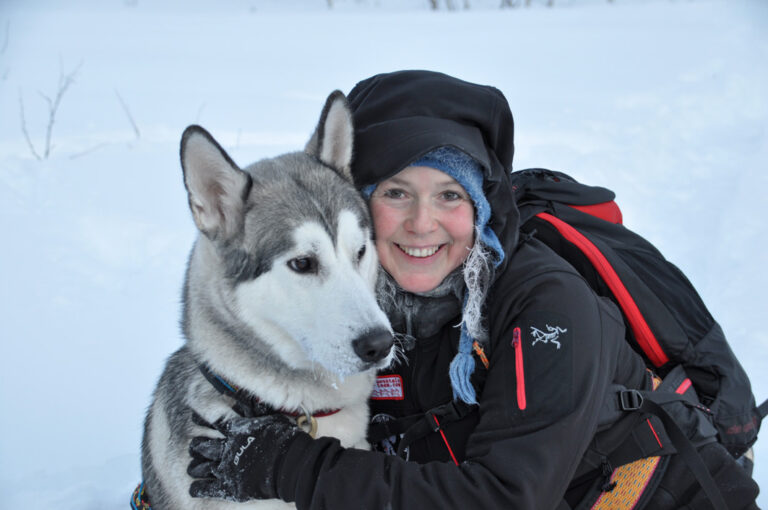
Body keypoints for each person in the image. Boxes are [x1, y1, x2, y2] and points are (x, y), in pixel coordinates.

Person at [186, 70, 760, 509]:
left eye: (450, 196)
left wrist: (293, 466)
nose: (421, 223)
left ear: (480, 209)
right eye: (395, 193)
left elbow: (505, 499)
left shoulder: (547, 306)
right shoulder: (363, 305)